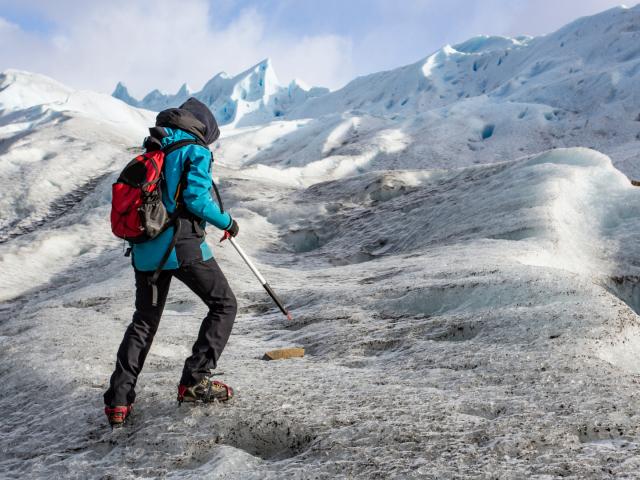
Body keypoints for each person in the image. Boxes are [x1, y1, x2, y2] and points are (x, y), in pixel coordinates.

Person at [104, 98, 238, 427]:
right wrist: (228, 222)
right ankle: (195, 381)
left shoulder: (154, 149)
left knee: (144, 322)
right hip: (182, 246)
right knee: (224, 304)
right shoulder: (195, 150)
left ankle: (118, 401)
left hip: (145, 251)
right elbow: (195, 199)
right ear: (203, 128)